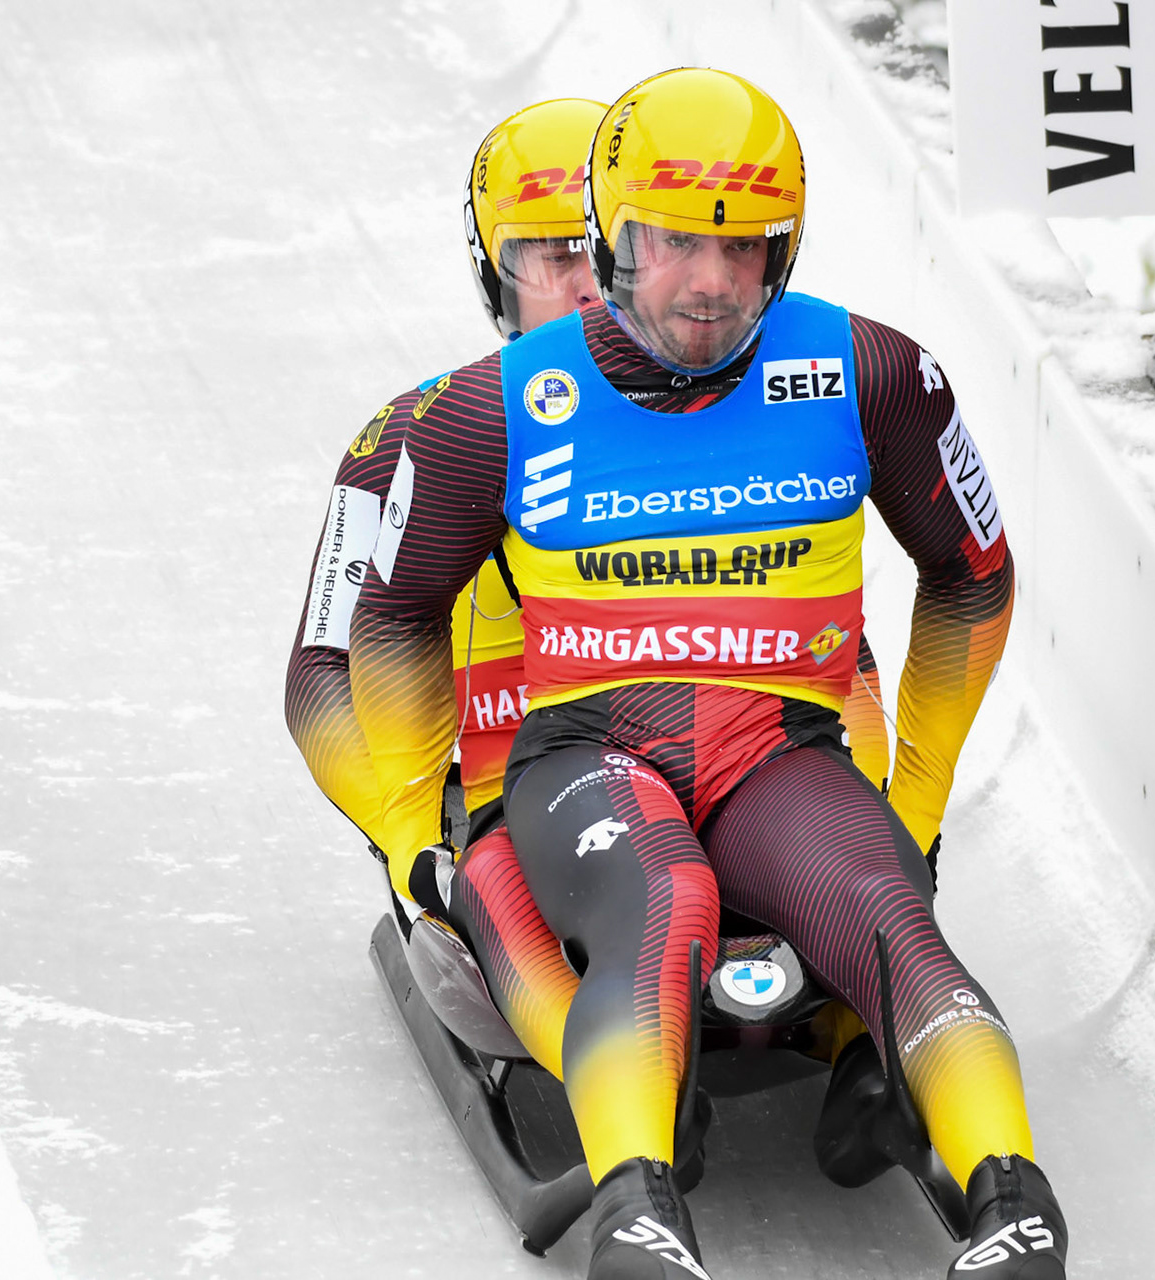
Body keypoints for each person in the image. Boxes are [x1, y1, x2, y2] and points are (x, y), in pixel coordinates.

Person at [286, 69, 1065, 1280]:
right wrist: (408, 837)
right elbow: (350, 645)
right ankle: (640, 1189)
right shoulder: (456, 427)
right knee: (657, 904)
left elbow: (953, 583)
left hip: (774, 752)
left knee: (880, 898)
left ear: (777, 256)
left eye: (737, 250)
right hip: (557, 776)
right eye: (616, 250)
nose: (700, 283)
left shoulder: (866, 375)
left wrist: (908, 800)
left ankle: (1006, 1190)